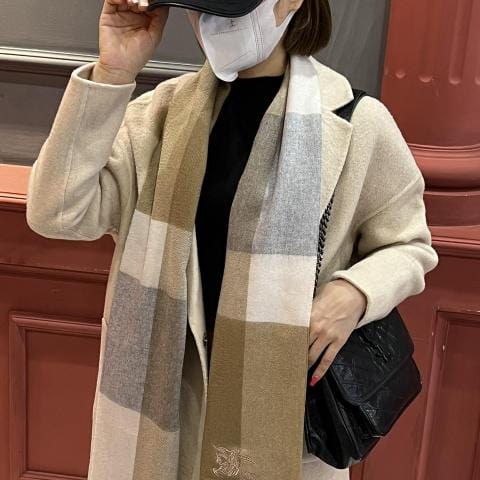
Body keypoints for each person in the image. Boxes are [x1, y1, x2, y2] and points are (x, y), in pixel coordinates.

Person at [25, 1, 439, 479]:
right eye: (200, 7)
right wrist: (113, 71)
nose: (213, 23)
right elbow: (57, 213)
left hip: (282, 412)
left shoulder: (355, 122)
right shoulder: (159, 117)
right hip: (165, 418)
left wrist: (354, 294)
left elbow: (409, 244)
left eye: (232, 6)